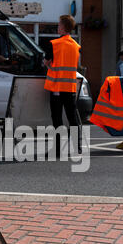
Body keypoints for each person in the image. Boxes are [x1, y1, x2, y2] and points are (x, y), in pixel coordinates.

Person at [43, 15, 81, 157]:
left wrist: (48, 63)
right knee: (72, 118)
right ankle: (77, 147)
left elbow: (46, 62)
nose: (57, 27)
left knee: (57, 119)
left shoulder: (54, 44)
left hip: (57, 88)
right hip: (70, 88)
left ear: (64, 27)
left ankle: (58, 149)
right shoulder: (76, 46)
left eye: (59, 24)